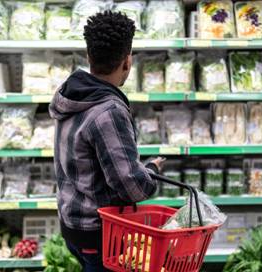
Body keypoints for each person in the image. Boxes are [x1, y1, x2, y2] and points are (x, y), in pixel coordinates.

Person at [49, 11, 163, 272]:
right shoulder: (108, 110)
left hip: (73, 226)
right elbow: (131, 187)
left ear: (89, 56)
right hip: (102, 234)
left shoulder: (71, 94)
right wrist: (152, 171)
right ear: (127, 61)